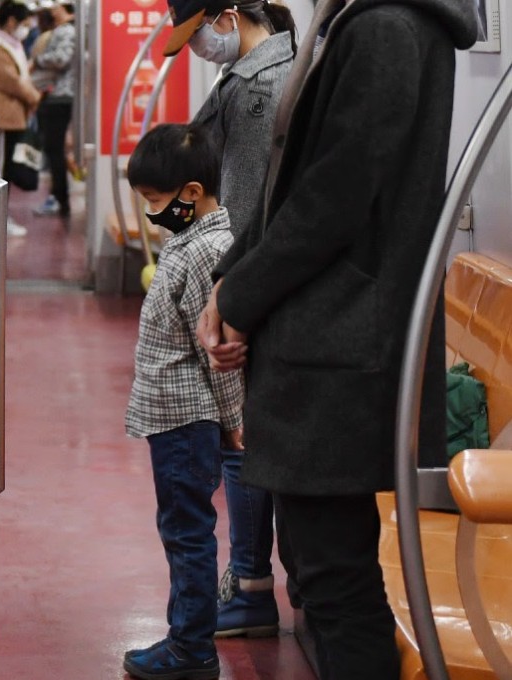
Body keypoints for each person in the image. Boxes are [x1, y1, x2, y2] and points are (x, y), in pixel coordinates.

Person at [195, 0, 478, 677]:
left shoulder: (386, 28)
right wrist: (229, 281)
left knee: (335, 580)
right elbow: (289, 187)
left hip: (342, 339)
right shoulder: (356, 22)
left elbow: (336, 196)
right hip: (328, 331)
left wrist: (242, 295)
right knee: (318, 568)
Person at [163, 0, 296, 639]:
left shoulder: (259, 89)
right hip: (251, 280)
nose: (197, 48)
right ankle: (249, 579)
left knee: (238, 433)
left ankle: (249, 583)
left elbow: (246, 207)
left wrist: (228, 296)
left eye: (199, 33)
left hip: (247, 284)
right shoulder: (248, 74)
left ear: (229, 14)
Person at [122, 123, 243, 680]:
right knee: (181, 526)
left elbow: (216, 351)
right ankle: (187, 638)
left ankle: (191, 648)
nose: (151, 213)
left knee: (187, 531)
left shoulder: (207, 252)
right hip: (174, 417)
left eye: (155, 201)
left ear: (191, 195)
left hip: (187, 418)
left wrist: (234, 421)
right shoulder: (190, 241)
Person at [0, 0, 42, 237]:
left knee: (4, 170)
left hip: (12, 116)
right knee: (0, 171)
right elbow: (10, 80)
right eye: (24, 24)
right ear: (11, 21)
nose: (26, 29)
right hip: (3, 117)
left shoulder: (9, 44)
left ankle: (1, 216)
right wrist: (33, 96)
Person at [30, 1, 75, 219]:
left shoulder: (66, 31)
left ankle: (60, 198)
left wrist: (37, 60)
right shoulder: (63, 30)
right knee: (53, 150)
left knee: (54, 150)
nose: (51, 8)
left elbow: (62, 59)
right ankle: (58, 196)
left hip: (59, 95)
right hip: (56, 95)